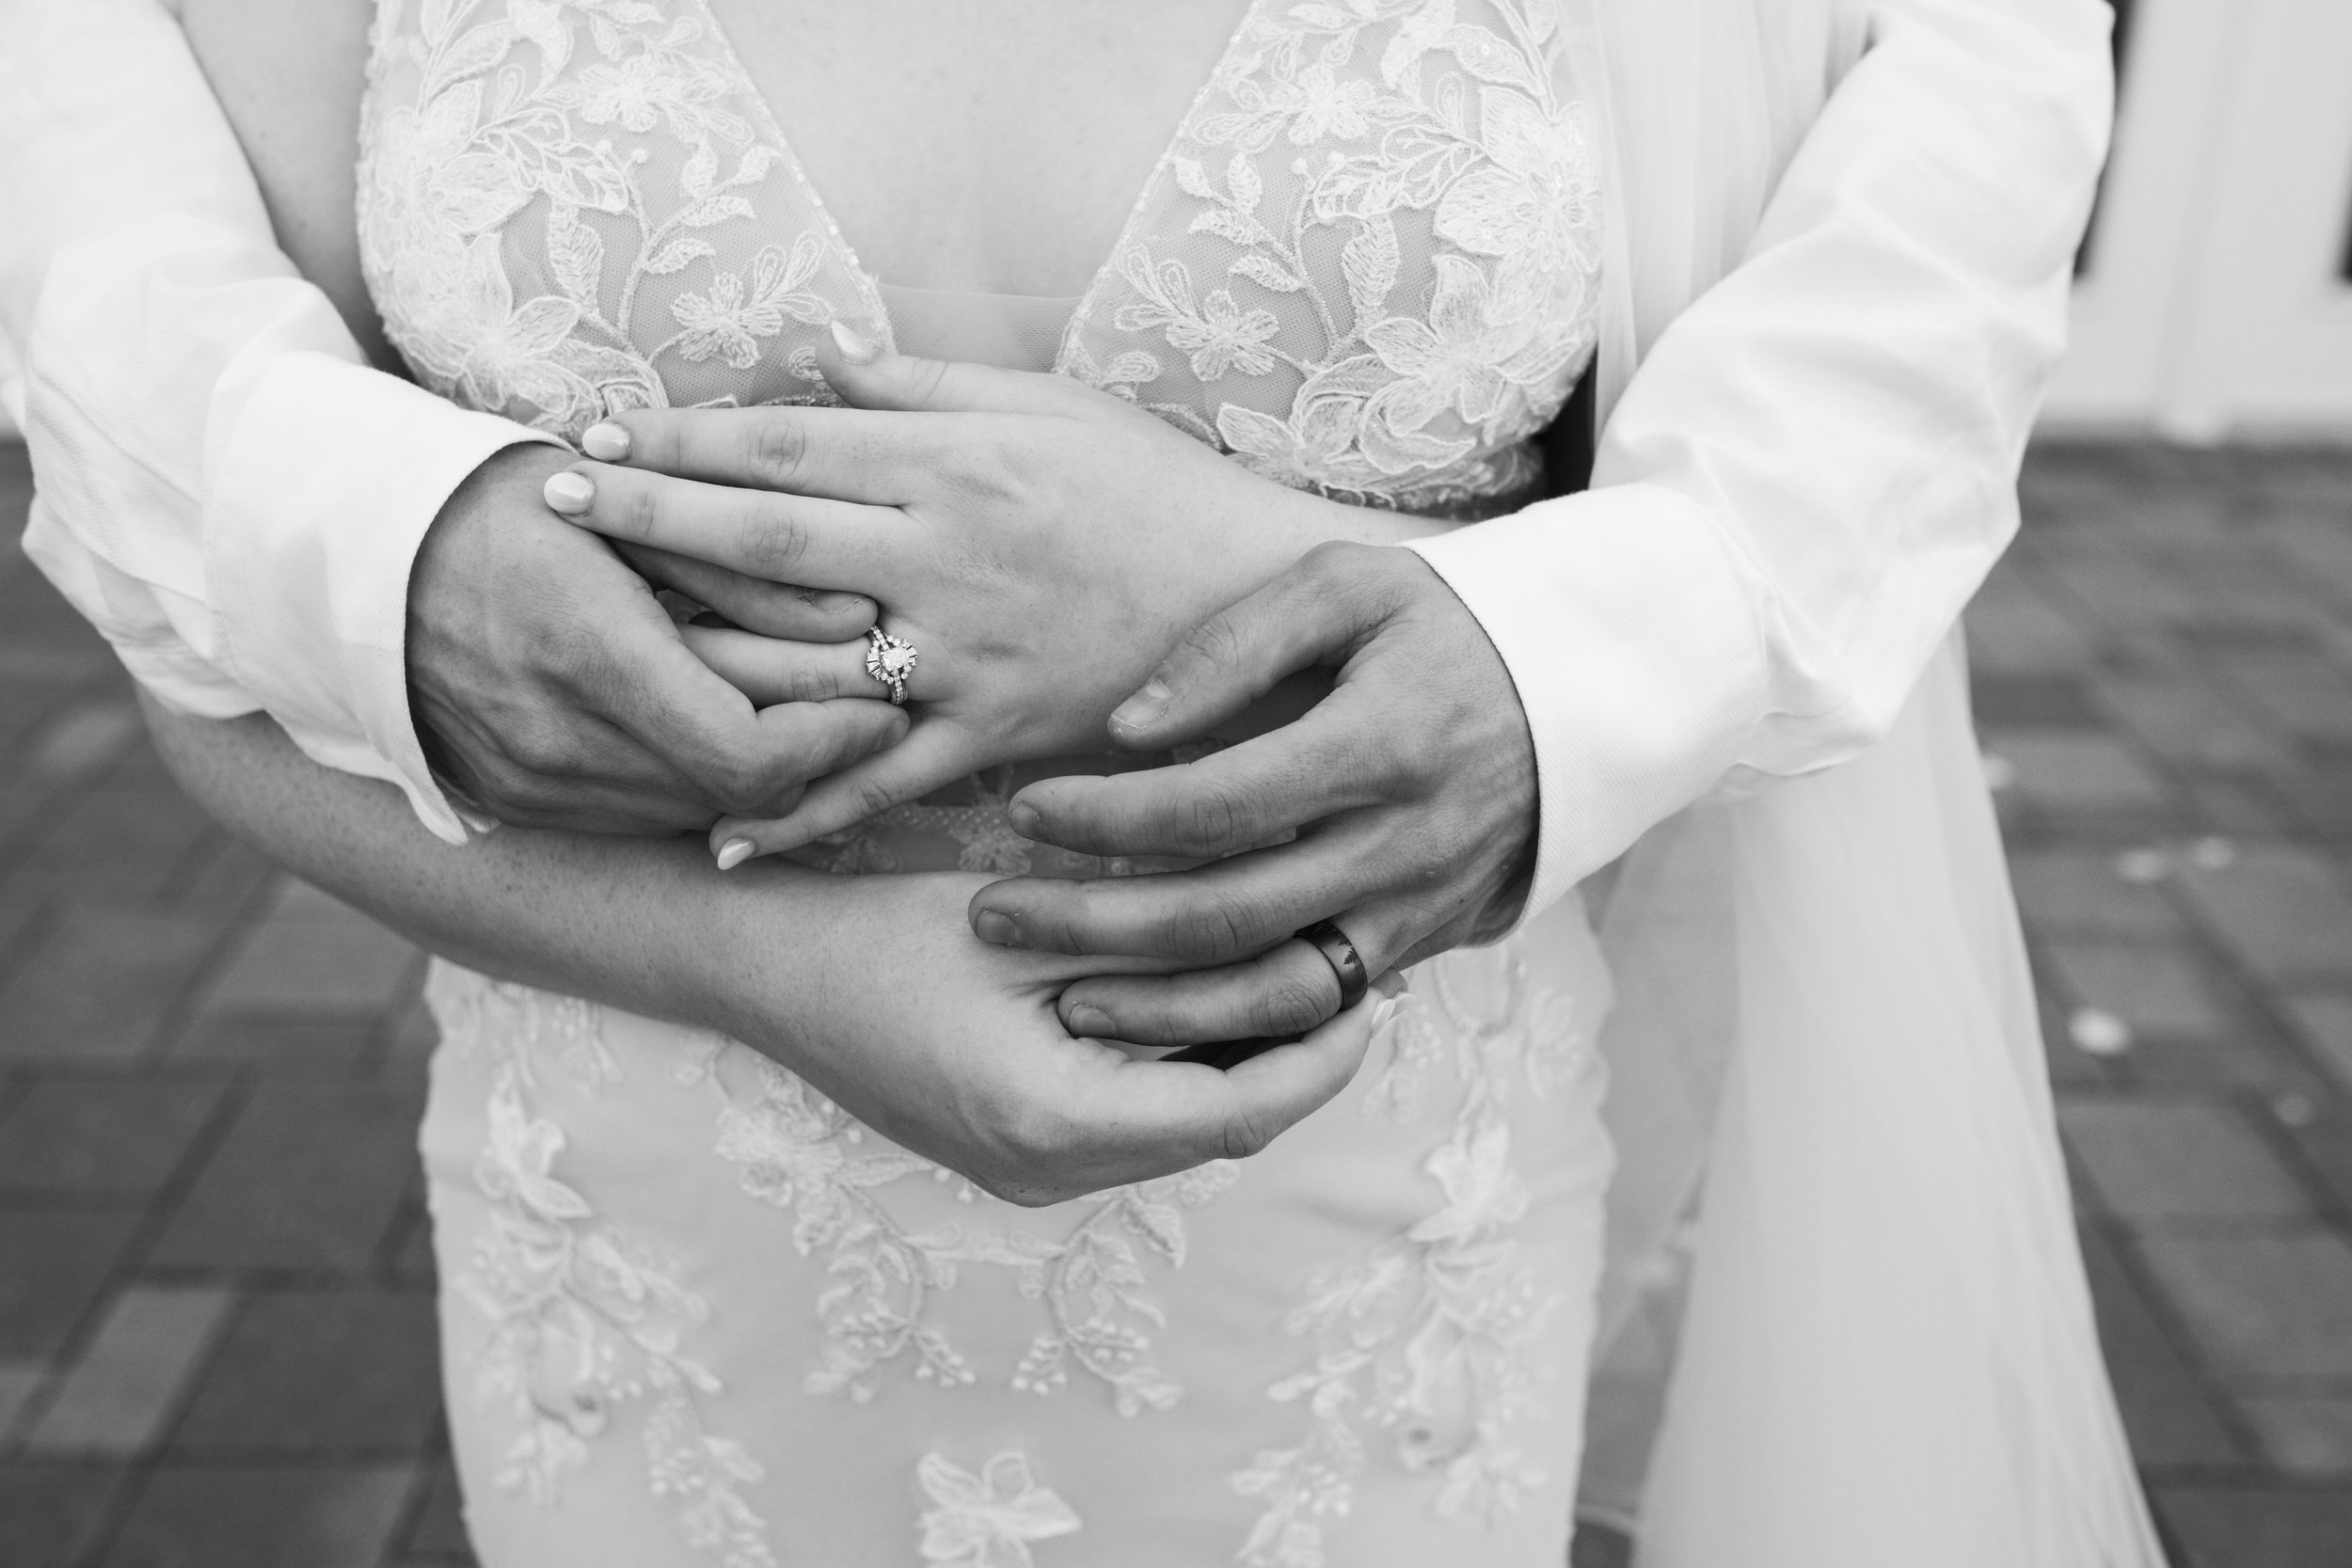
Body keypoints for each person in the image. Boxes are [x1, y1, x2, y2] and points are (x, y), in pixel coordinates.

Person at [1, 1, 2165, 1564]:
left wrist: (1418, 626)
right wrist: (719, 929)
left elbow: (1862, 419)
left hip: (1353, 1265)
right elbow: (178, 578)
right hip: (650, 1280)